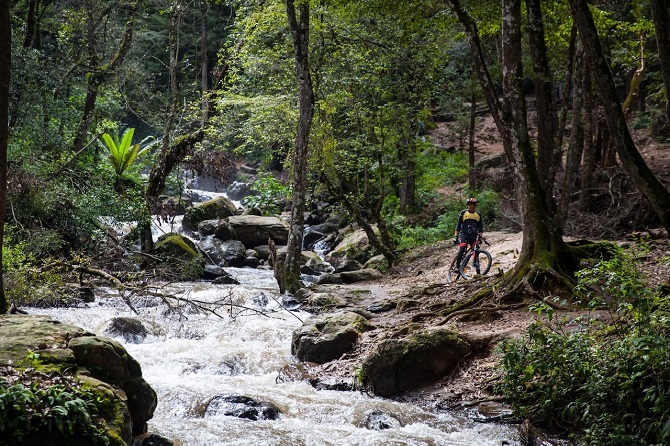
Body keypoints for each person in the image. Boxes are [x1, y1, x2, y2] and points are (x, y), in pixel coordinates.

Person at [453, 197, 484, 273]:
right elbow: (458, 225)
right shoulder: (463, 213)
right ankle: (457, 267)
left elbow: (480, 228)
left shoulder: (478, 215)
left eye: (472, 205)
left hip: (473, 236)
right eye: (469, 204)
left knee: (476, 251)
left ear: (474, 205)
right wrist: (456, 236)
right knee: (462, 248)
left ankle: (478, 271)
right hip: (464, 234)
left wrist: (480, 237)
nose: (470, 206)